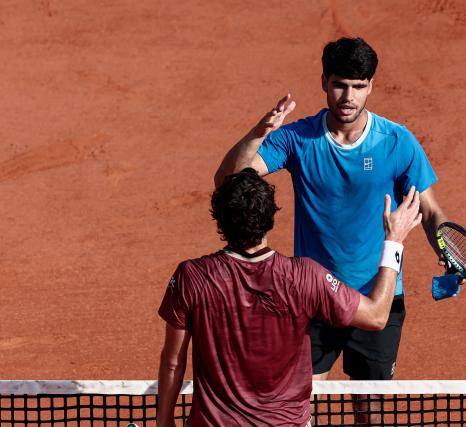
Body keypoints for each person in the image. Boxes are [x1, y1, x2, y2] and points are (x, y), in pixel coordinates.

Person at [214, 37, 448, 386]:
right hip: (312, 293)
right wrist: (259, 132)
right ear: (324, 82)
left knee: (370, 412)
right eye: (339, 85)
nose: (348, 97)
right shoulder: (297, 139)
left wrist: (448, 249)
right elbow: (228, 180)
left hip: (378, 294)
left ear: (371, 86)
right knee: (299, 406)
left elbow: (430, 211)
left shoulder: (397, 142)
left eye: (359, 86)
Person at [157, 168, 422, 427]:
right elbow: (376, 317)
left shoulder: (191, 276)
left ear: (220, 220)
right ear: (270, 217)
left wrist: (163, 421)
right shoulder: (305, 275)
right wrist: (393, 242)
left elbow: (172, 363)